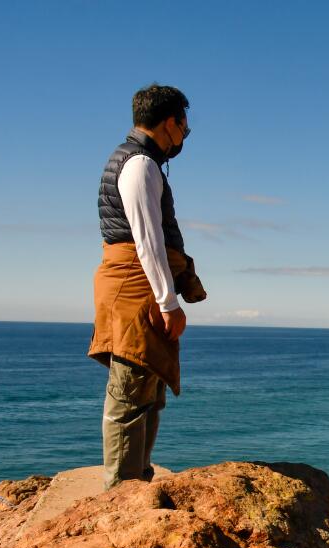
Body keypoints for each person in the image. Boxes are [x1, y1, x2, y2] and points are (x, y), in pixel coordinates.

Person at [88, 84, 206, 490]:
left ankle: (137, 478)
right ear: (170, 122)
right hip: (136, 286)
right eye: (185, 131)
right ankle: (121, 495)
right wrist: (168, 301)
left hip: (136, 284)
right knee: (129, 395)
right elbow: (147, 239)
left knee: (147, 390)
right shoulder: (140, 164)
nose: (183, 140)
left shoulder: (136, 160)